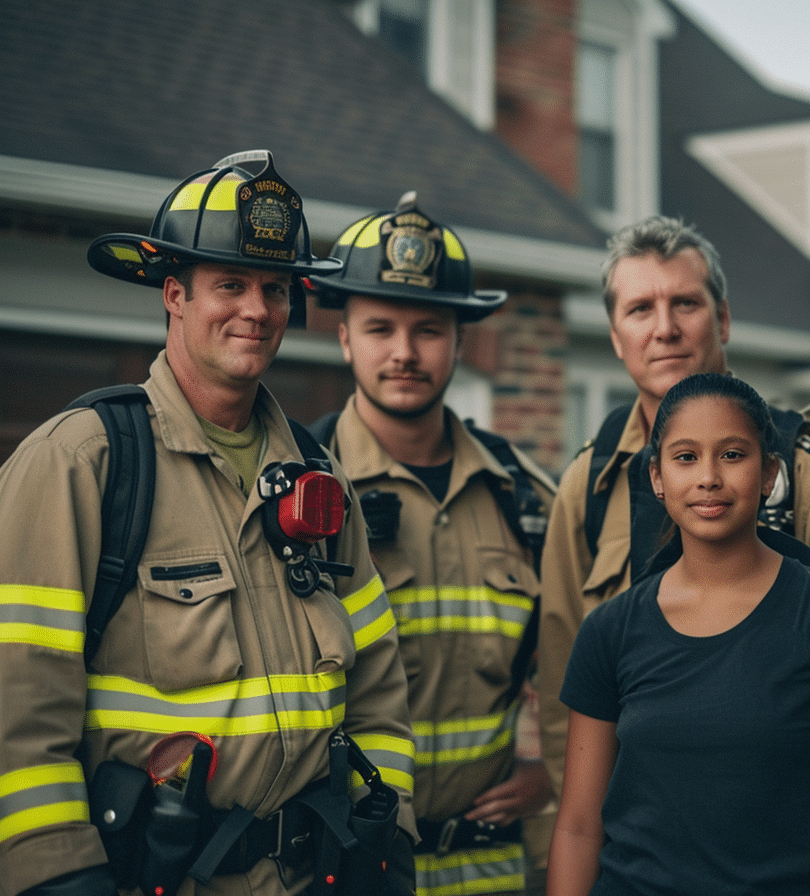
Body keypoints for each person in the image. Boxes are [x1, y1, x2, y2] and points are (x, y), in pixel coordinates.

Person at [0, 151, 417, 896]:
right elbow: (19, 701)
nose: (256, 309)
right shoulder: (82, 462)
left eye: (275, 288)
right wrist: (54, 874)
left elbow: (379, 685)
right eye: (230, 284)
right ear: (174, 295)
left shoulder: (320, 481)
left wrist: (390, 833)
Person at [535, 215, 810, 801]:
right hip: (636, 859)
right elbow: (559, 701)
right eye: (640, 309)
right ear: (616, 336)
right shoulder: (587, 486)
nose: (665, 329)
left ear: (722, 318)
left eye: (686, 304)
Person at [548, 373, 810, 896]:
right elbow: (578, 828)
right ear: (657, 477)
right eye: (686, 457)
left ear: (769, 474)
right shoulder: (610, 630)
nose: (708, 478)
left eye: (733, 455)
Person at [307, 194, 558, 896]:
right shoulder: (301, 490)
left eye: (430, 330)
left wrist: (553, 772)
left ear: (460, 340)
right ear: (345, 338)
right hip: (350, 864)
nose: (405, 353)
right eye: (380, 328)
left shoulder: (527, 497)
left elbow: (581, 663)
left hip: (491, 867)